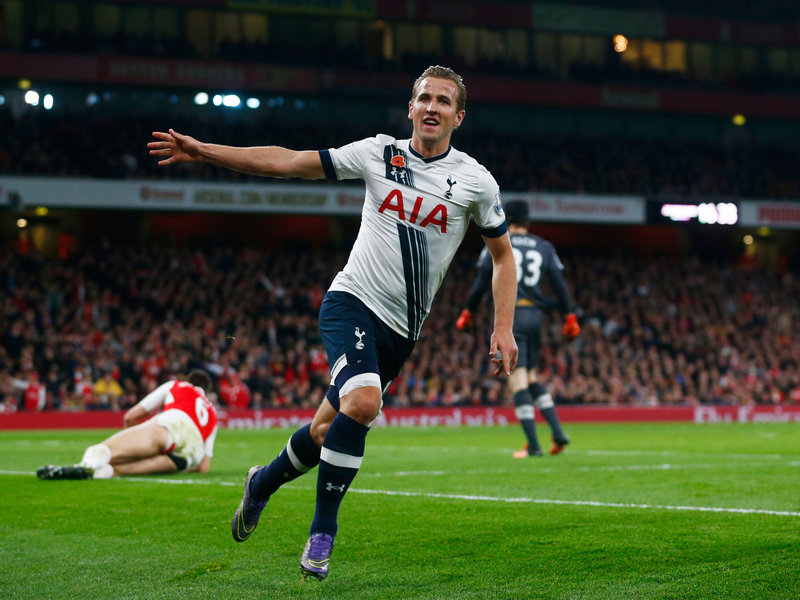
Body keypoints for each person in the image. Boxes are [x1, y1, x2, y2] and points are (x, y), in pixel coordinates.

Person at [147, 65, 518, 581]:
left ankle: (262, 484)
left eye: (444, 101)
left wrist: (503, 326)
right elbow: (290, 162)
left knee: (325, 429)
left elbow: (503, 257)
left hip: (403, 331)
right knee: (365, 402)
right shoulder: (377, 154)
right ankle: (323, 533)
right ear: (410, 107)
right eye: (424, 98)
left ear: (459, 115)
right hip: (351, 300)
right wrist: (206, 150)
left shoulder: (477, 182)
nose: (432, 107)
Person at [457, 199, 579, 457]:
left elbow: (481, 282)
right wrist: (570, 315)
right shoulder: (544, 246)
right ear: (528, 219)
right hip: (536, 316)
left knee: (516, 381)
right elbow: (559, 283)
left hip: (512, 315)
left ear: (506, 217)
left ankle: (533, 446)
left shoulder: (499, 241)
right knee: (532, 377)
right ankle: (557, 433)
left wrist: (468, 311)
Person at [37, 369, 217, 479]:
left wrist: (139, 445)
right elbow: (204, 467)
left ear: (188, 381)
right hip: (187, 456)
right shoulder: (213, 414)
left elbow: (131, 416)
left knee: (101, 451)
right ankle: (103, 472)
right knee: (116, 469)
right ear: (206, 393)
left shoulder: (177, 385)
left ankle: (81, 467)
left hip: (171, 426)